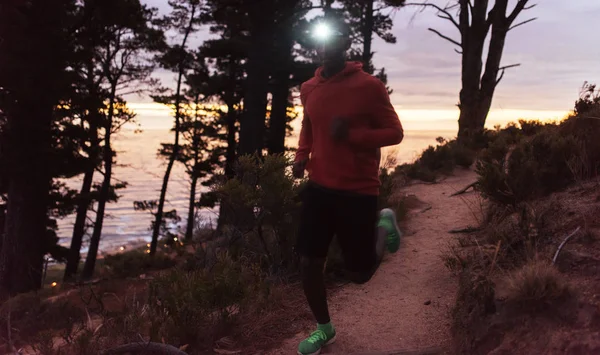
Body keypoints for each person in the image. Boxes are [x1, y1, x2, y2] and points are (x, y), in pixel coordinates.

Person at [293, 17, 405, 355]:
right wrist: (301, 156)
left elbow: (394, 133)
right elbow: (308, 126)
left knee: (359, 274)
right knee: (308, 262)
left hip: (358, 189)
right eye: (322, 42)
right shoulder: (308, 88)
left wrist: (353, 136)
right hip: (319, 186)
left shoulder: (369, 86)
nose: (328, 48)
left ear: (346, 45)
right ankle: (324, 330)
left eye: (335, 41)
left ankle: (384, 223)